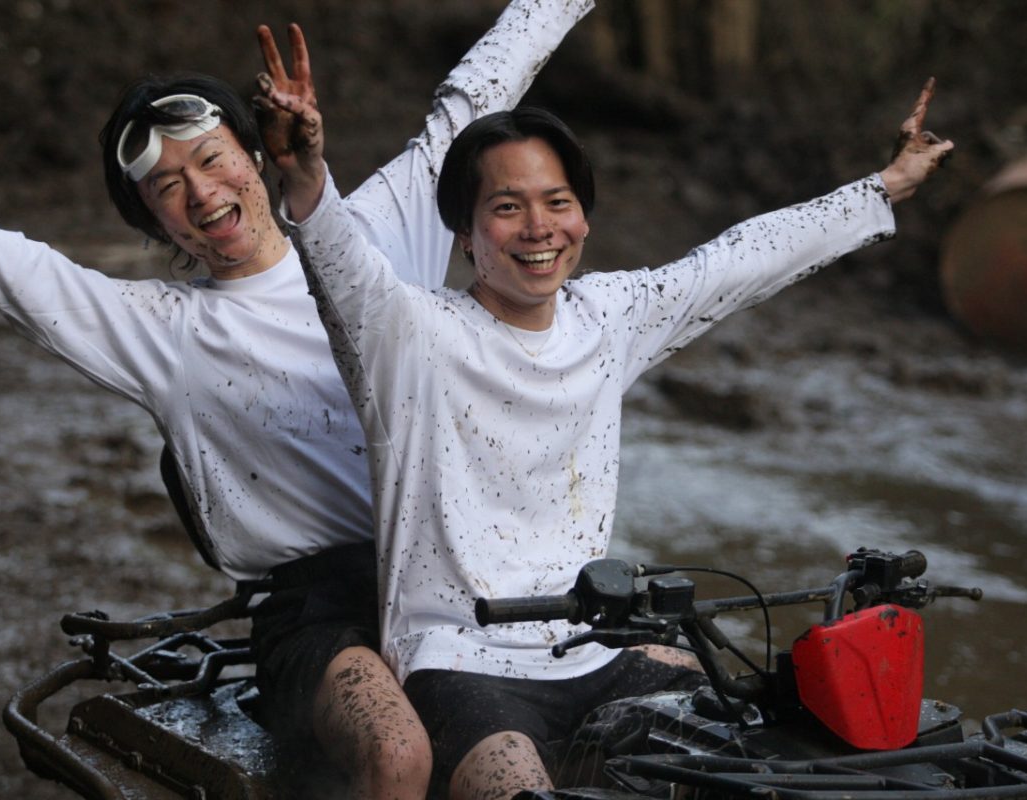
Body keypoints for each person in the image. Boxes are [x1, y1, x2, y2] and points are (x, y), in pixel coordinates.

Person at [0, 2, 594, 798]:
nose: (202, 193)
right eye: (167, 187)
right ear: (152, 218)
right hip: (316, 610)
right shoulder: (163, 330)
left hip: (462, 572)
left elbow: (480, 88)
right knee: (396, 753)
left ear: (256, 151)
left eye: (212, 159)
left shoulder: (377, 229)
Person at [258, 63, 953, 799]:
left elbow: (741, 259)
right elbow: (341, 265)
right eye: (507, 207)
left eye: (558, 202)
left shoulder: (609, 316)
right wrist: (304, 173)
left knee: (746, 762)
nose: (539, 228)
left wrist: (885, 187)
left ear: (583, 217)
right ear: (465, 233)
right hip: (460, 661)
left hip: (599, 645)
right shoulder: (408, 333)